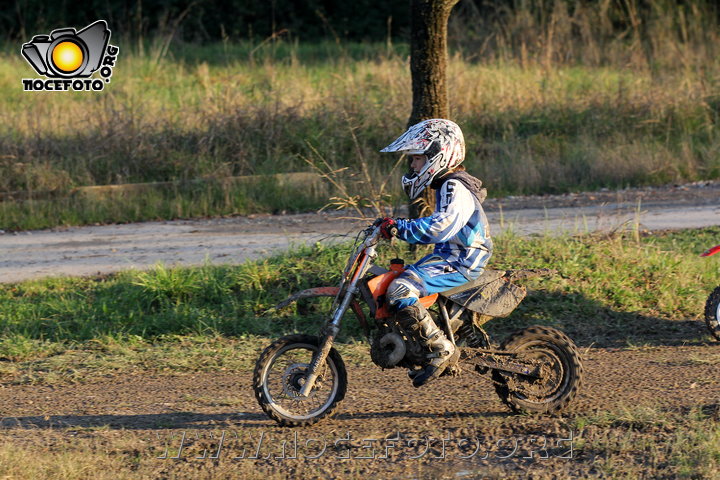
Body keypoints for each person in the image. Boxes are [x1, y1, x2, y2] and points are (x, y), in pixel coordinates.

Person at [377, 118, 493, 387]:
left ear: (438, 154)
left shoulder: (455, 186)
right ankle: (430, 341)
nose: (413, 165)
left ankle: (440, 349)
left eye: (417, 158)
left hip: (462, 259)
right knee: (401, 280)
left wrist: (400, 227)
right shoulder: (447, 185)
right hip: (450, 255)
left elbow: (441, 227)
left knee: (400, 290)